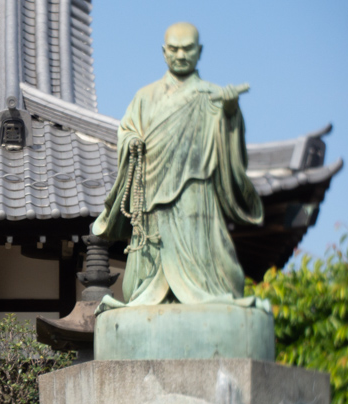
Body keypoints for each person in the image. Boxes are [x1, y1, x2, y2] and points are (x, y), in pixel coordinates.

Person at [91, 22, 264, 311]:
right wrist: (132, 141)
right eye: (174, 49)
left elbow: (231, 155)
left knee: (206, 257)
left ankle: (206, 287)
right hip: (152, 189)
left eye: (187, 49)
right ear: (164, 52)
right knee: (147, 265)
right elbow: (127, 130)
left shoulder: (213, 95)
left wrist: (231, 112)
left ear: (200, 51)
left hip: (196, 190)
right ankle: (149, 290)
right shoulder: (145, 96)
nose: (181, 55)